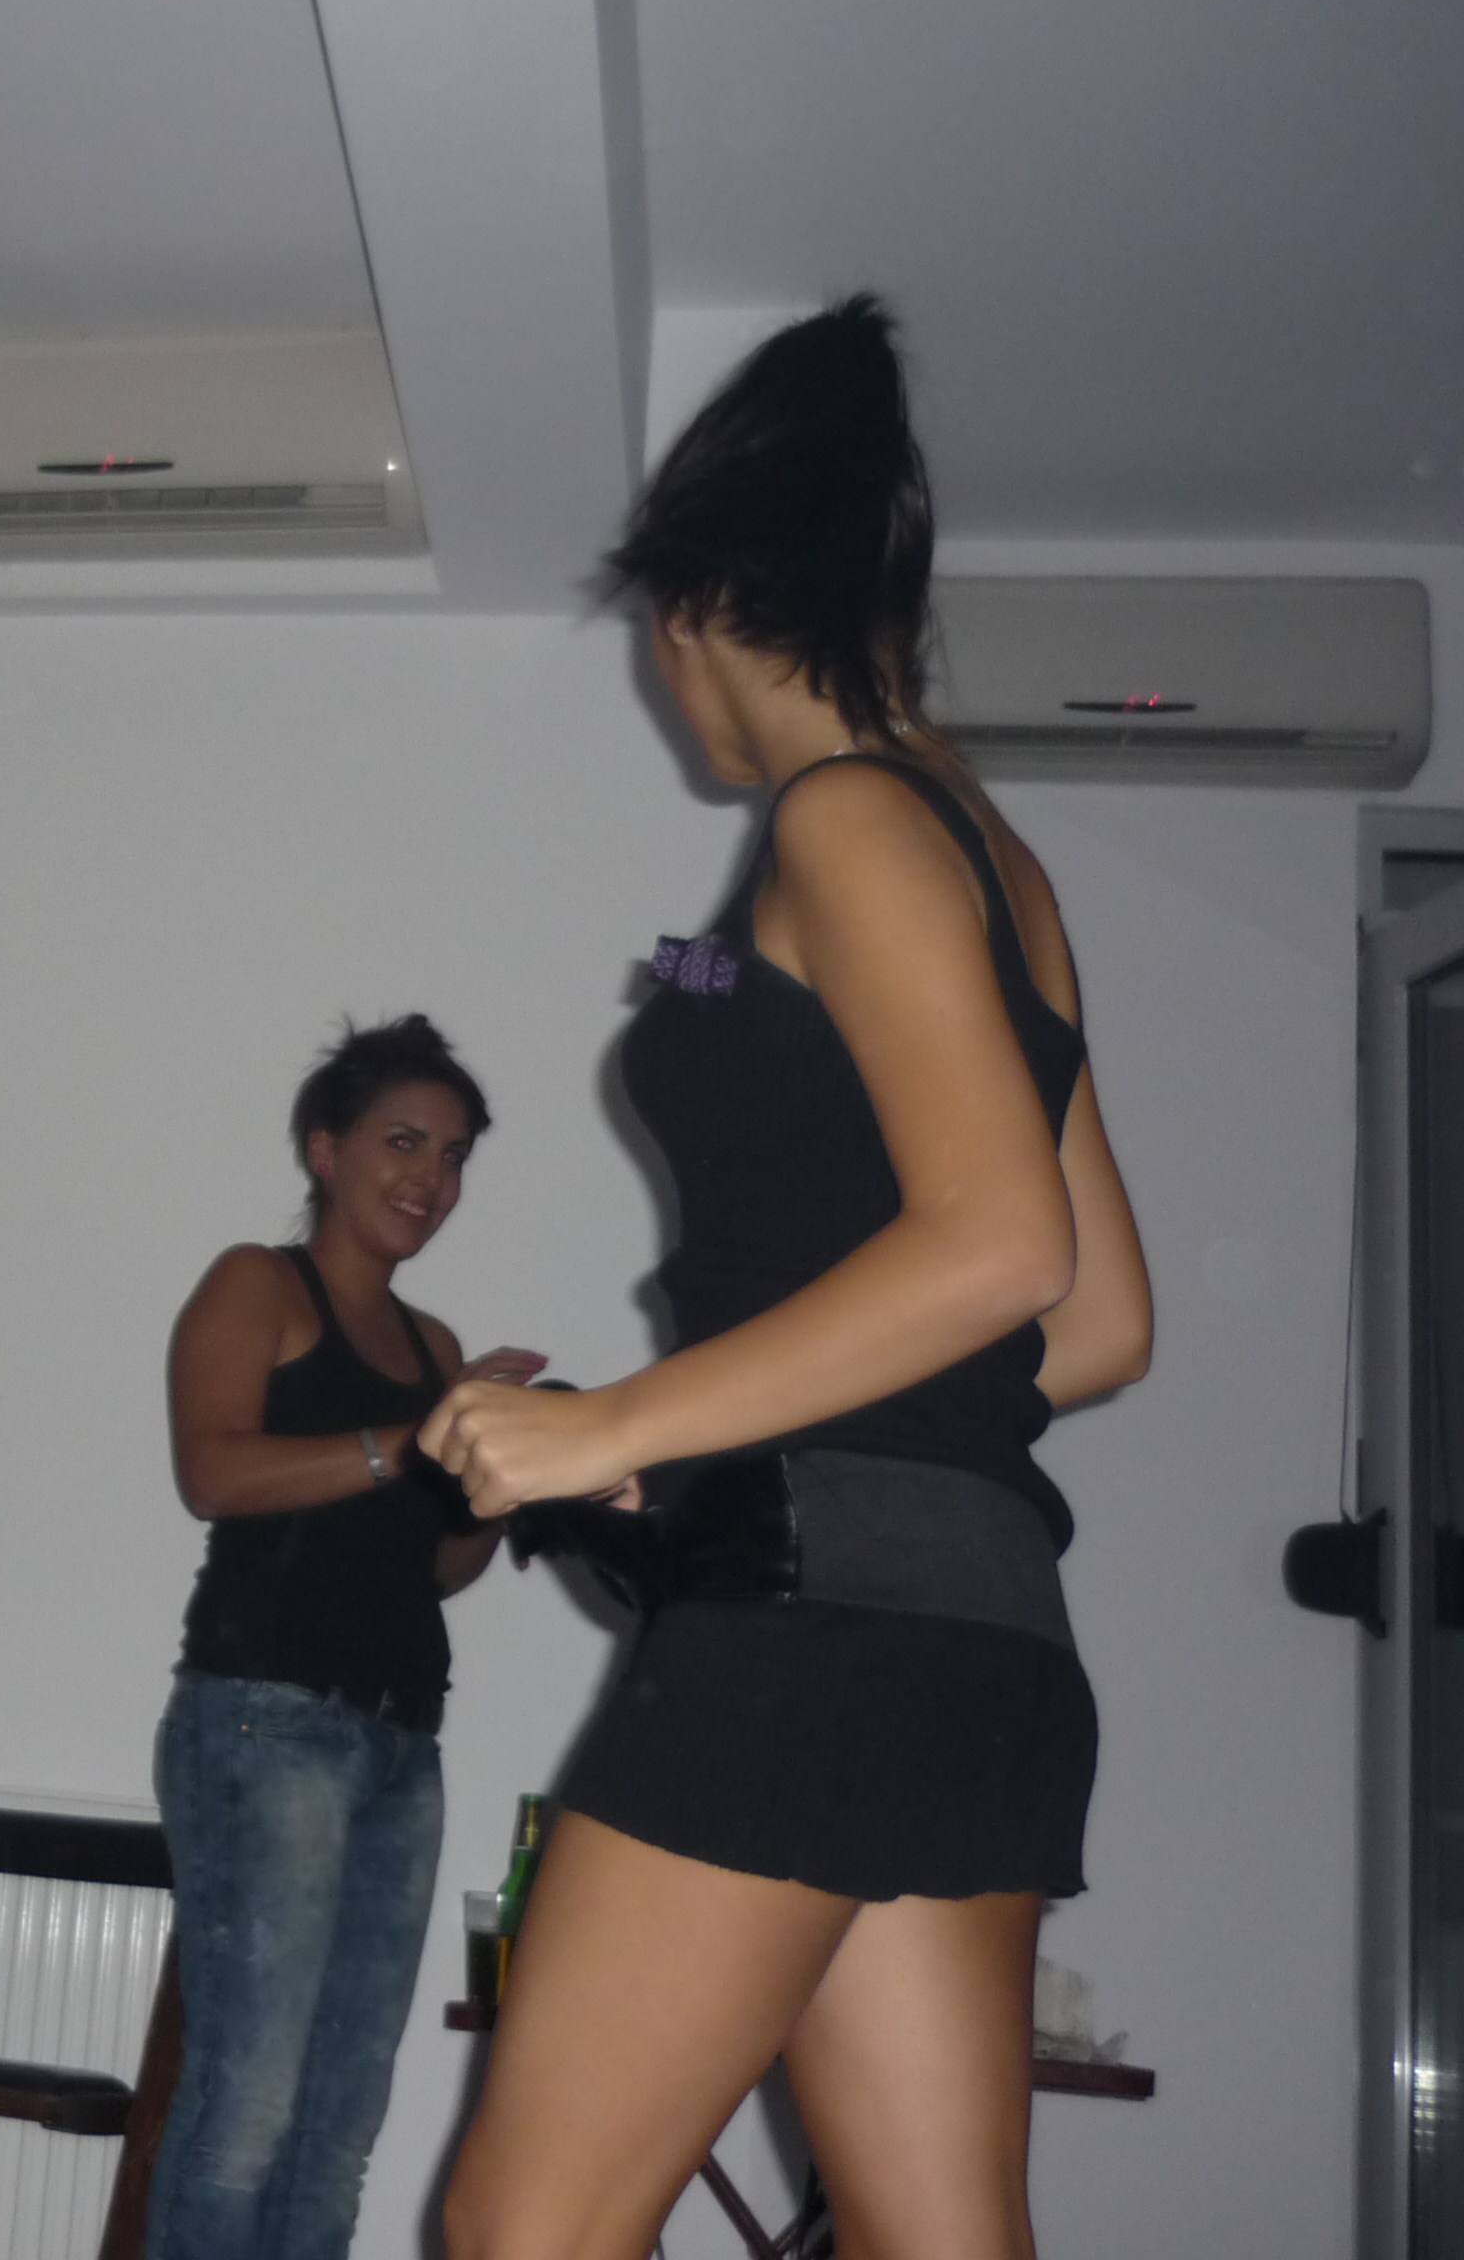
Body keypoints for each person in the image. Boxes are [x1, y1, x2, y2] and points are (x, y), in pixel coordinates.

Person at [418, 297, 1154, 2260]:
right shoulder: (1000, 862)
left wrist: (613, 1427)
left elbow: (1002, 1251)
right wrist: (717, 1446)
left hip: (814, 1627)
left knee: (522, 2230)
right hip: (979, 1634)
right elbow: (1095, 1326)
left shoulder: (841, 819)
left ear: (697, 606)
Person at [146, 1015, 542, 2260]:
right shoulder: (257, 1285)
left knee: (340, 2129)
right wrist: (410, 1442)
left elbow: (434, 1567)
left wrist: (497, 1483)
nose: (432, 1178)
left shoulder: (436, 1351)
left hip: (400, 1746)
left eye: (455, 1155)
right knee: (247, 2111)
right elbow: (215, 1474)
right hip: (266, 1723)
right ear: (326, 1149)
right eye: (404, 1142)